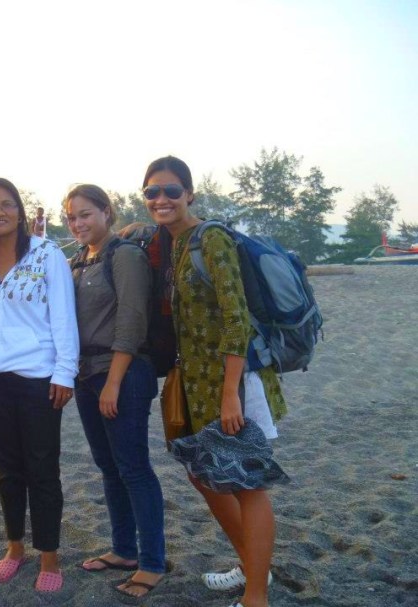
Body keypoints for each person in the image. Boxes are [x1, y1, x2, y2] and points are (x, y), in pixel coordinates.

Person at [143, 156, 287, 607]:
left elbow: (236, 318)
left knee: (247, 484)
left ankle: (257, 596)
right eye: (152, 192)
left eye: (171, 190)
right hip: (196, 383)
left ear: (190, 194)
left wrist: (230, 396)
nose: (161, 199)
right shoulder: (174, 243)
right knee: (203, 475)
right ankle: (251, 565)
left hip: (234, 381)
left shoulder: (213, 239)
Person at [0, 177, 79, 593]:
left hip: (39, 377)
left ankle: (49, 555)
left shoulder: (47, 254)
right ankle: (14, 548)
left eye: (7, 204)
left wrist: (65, 372)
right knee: (7, 469)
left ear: (20, 210)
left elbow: (64, 316)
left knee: (42, 469)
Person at [65, 184, 166, 603]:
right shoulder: (77, 261)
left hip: (122, 373)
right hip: (87, 375)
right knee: (108, 467)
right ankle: (124, 550)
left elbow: (132, 319)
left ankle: (152, 563)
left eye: (86, 214)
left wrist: (114, 381)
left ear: (107, 212)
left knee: (134, 468)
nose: (78, 223)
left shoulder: (124, 256)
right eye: (72, 217)